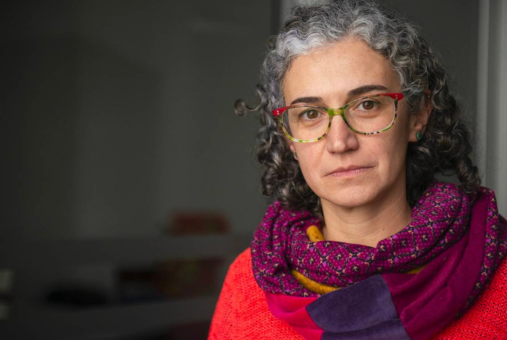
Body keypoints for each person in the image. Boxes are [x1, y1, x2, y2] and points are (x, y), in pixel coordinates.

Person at [208, 1, 507, 339]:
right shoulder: (246, 283)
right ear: (288, 137)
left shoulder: (501, 276)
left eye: (367, 105)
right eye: (309, 114)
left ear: (418, 115)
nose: (339, 142)